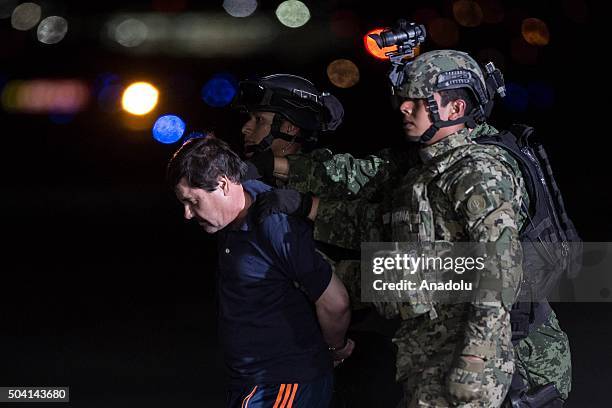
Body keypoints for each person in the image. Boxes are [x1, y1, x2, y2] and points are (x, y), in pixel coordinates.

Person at [256, 50, 571, 406]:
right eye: (405, 99)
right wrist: (307, 207)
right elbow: (392, 232)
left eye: (420, 100)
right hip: (437, 349)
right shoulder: (429, 170)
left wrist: (476, 359)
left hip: (499, 356)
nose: (405, 108)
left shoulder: (478, 170)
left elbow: (500, 267)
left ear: (455, 110)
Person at [167, 136, 354, 407]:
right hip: (251, 385)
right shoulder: (229, 217)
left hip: (284, 383)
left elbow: (335, 302)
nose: (187, 214)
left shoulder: (273, 225)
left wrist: (335, 350)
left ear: (222, 184)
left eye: (193, 201)